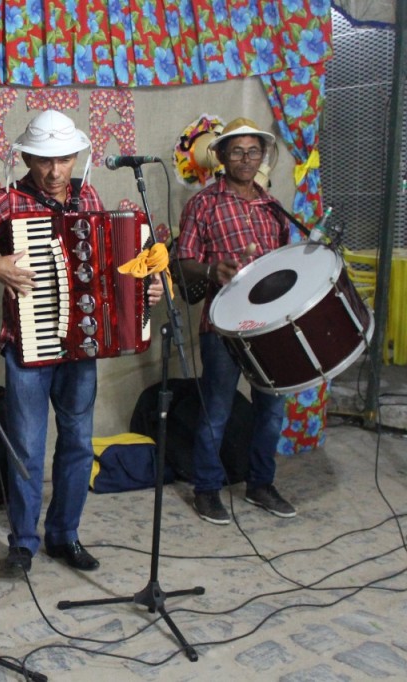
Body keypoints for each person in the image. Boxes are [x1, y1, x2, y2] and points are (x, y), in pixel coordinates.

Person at [0, 110, 163, 576]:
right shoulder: (6, 202)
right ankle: (23, 543)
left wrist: (147, 286)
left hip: (83, 344)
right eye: (44, 160)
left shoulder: (91, 197)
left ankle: (65, 534)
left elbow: (111, 270)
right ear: (25, 157)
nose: (54, 171)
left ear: (76, 157)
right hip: (27, 342)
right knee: (25, 446)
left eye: (63, 159)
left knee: (79, 443)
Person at [173, 117, 296, 525]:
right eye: (237, 151)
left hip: (270, 326)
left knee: (271, 410)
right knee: (217, 411)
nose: (246, 159)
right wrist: (212, 271)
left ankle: (261, 484)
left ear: (263, 157)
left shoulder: (273, 207)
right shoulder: (203, 204)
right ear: (222, 156)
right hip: (222, 326)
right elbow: (183, 262)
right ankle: (207, 490)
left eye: (254, 151)